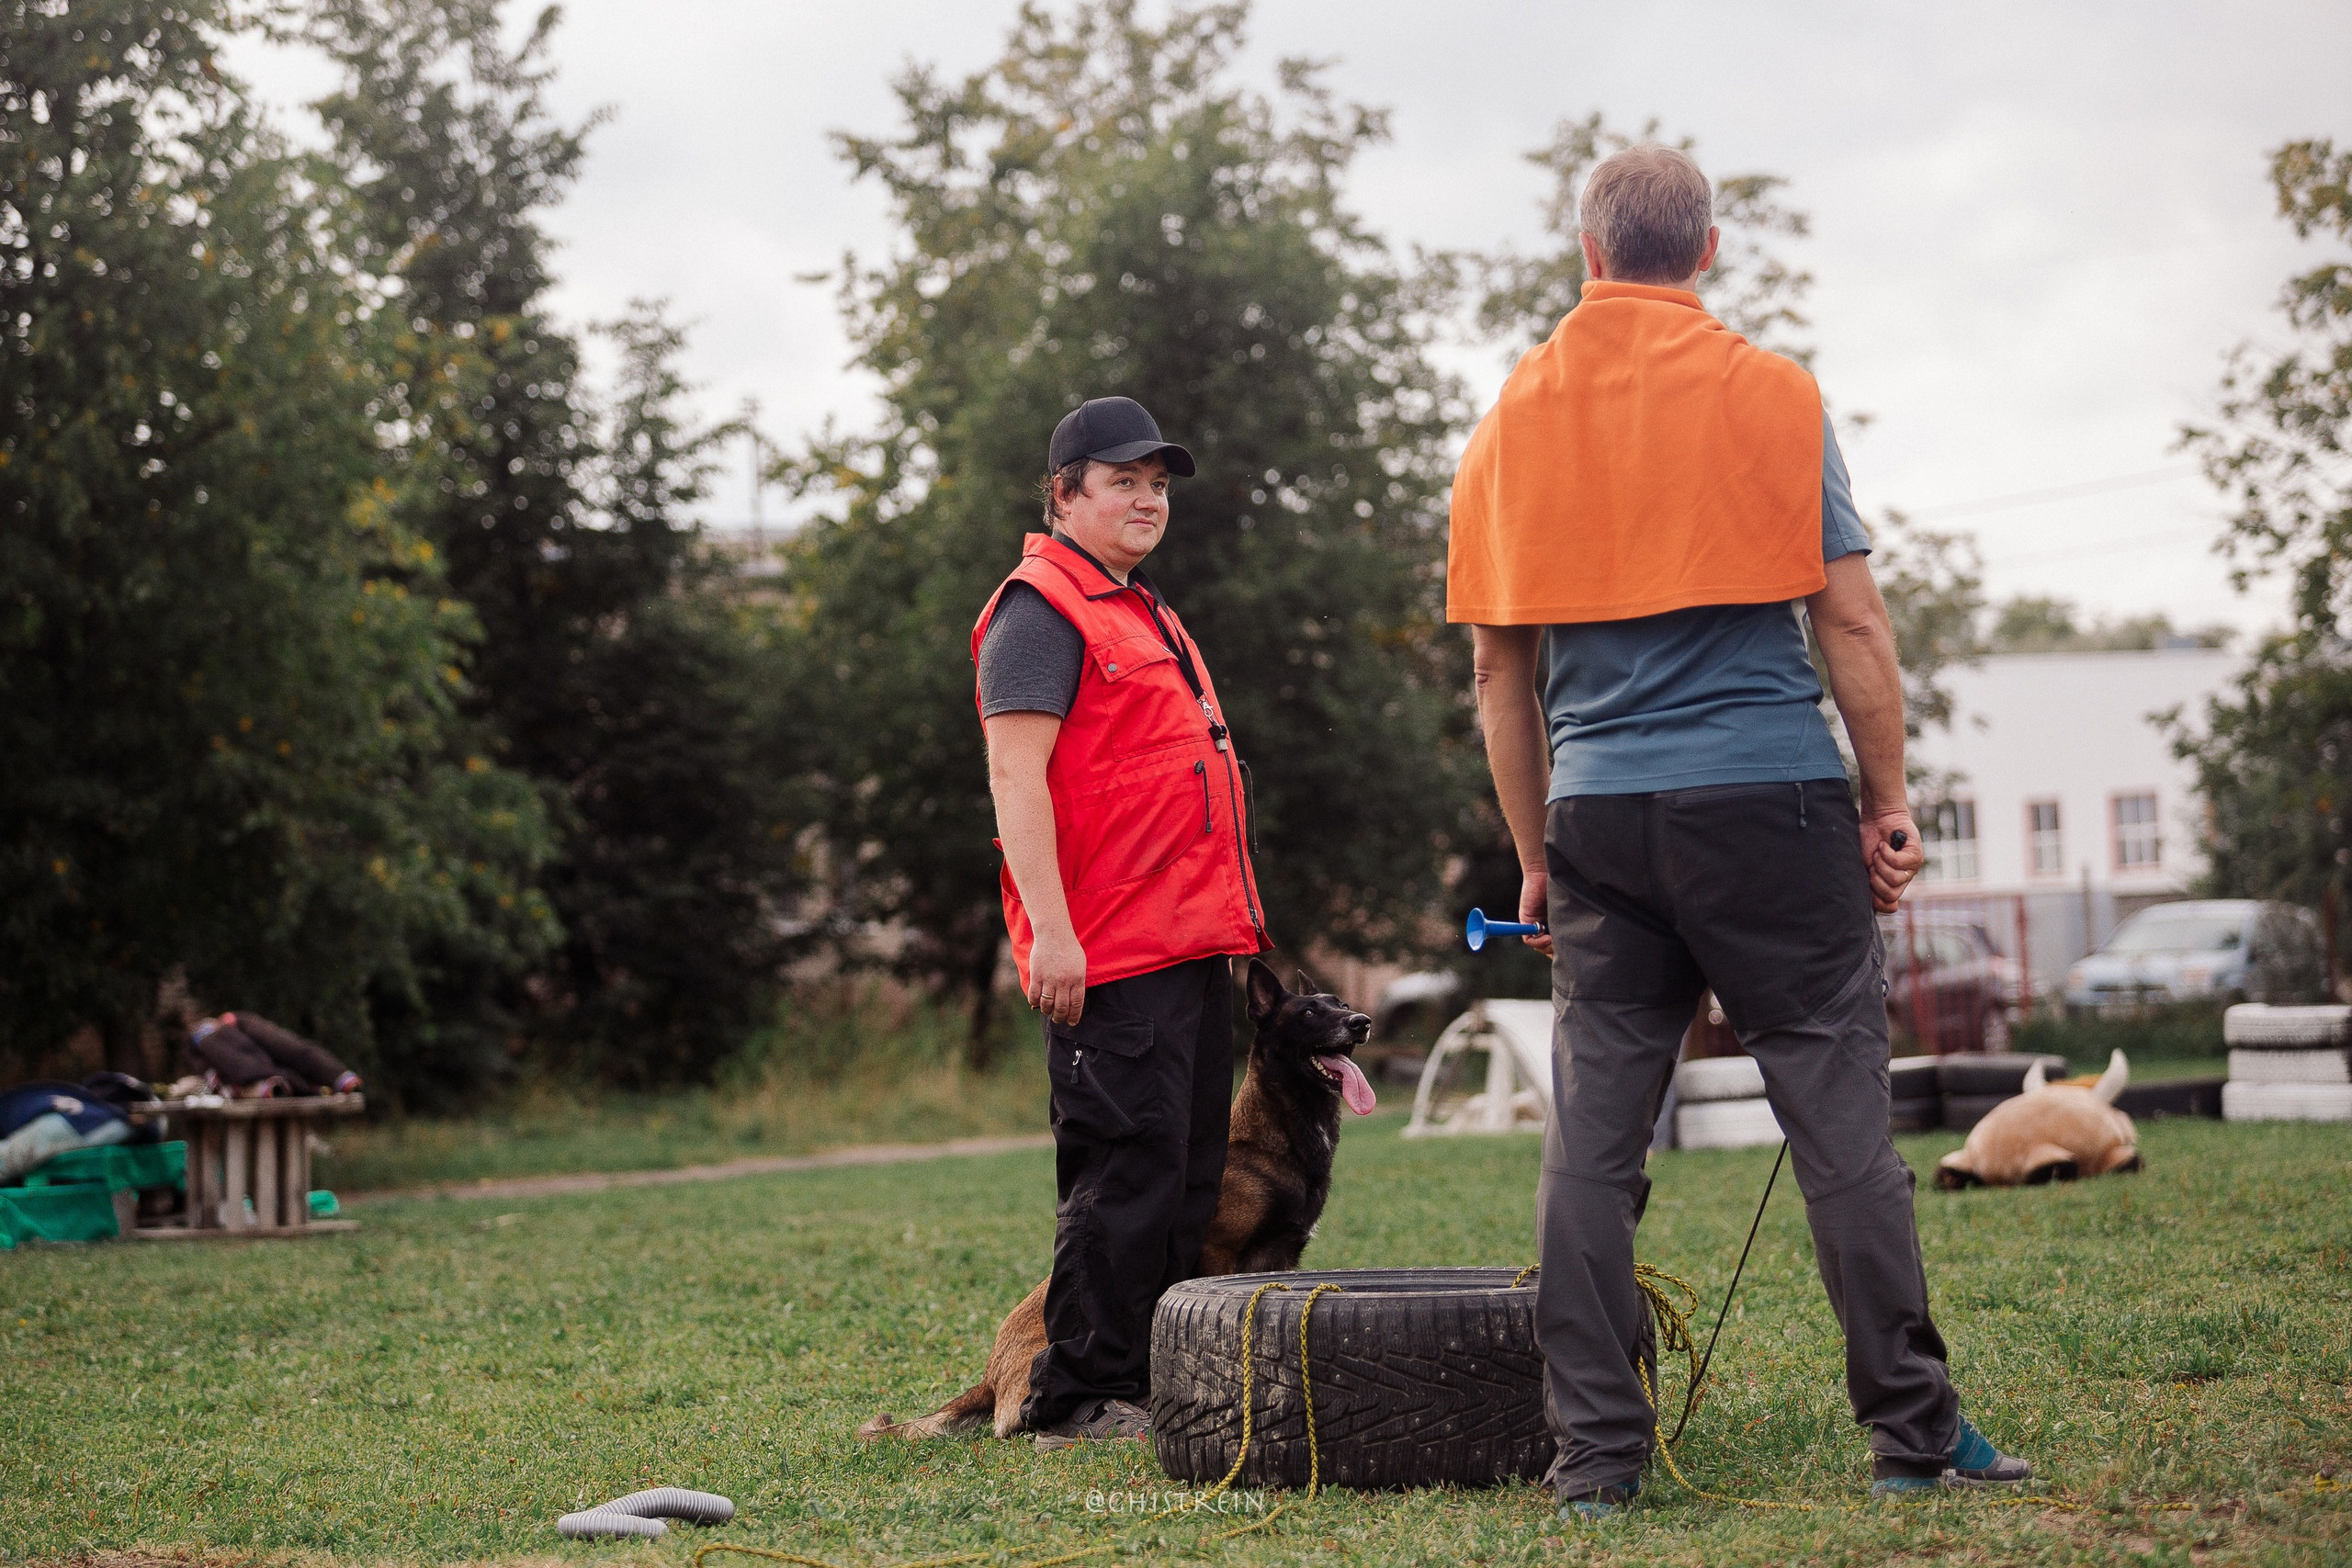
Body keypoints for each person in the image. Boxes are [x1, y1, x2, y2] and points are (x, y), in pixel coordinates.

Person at [1448, 145, 2034, 1516]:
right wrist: (1885, 804)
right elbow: (1852, 620)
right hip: (1771, 799)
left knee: (1595, 1137)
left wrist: (1537, 852)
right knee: (1837, 1121)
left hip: (1598, 811)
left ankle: (1595, 1458)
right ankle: (1912, 1431)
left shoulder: (1509, 419)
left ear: (1588, 251)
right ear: (1707, 250)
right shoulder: (1775, 393)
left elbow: (1497, 675)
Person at [970, 396, 1267, 1450]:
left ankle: (1153, 1388)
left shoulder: (1139, 608)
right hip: (1107, 949)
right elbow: (1016, 773)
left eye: (1158, 485)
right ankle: (1072, 1401)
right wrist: (1050, 932)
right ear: (1063, 493)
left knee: (1187, 1182)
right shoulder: (1041, 608)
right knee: (1123, 1179)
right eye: (1122, 481)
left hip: (1186, 944)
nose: (1146, 500)